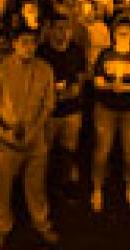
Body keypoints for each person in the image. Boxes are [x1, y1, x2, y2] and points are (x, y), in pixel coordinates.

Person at [0, 26, 58, 250]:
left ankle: (41, 223)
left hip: (36, 138)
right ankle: (0, 227)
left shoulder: (45, 70)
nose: (29, 47)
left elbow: (48, 103)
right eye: (24, 42)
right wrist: (2, 131)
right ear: (14, 44)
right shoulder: (0, 71)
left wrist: (35, 129)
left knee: (36, 185)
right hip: (7, 140)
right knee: (3, 187)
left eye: (32, 43)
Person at [90, 19, 130, 212]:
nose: (123, 35)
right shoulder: (105, 54)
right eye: (120, 32)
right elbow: (97, 81)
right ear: (114, 35)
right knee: (102, 150)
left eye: (127, 32)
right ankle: (97, 188)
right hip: (106, 109)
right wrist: (111, 86)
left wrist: (123, 87)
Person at [39, 14, 87, 198]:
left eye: (67, 29)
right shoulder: (42, 53)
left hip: (71, 110)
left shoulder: (76, 51)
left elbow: (81, 77)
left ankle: (65, 183)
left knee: (68, 148)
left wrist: (75, 89)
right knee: (46, 150)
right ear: (50, 30)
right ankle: (45, 185)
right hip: (49, 112)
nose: (63, 33)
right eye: (59, 28)